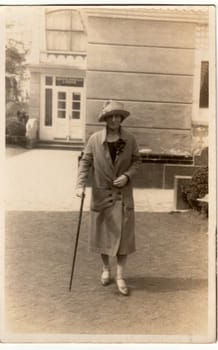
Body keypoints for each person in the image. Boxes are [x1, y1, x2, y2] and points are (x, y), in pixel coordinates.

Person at [76, 100, 140, 296]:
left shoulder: (129, 139)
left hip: (122, 195)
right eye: (111, 116)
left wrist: (127, 175)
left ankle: (120, 276)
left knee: (123, 239)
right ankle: (105, 269)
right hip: (101, 194)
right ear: (105, 118)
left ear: (121, 118)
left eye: (118, 116)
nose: (114, 119)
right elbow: (85, 161)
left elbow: (137, 161)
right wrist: (80, 184)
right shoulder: (95, 139)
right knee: (103, 234)